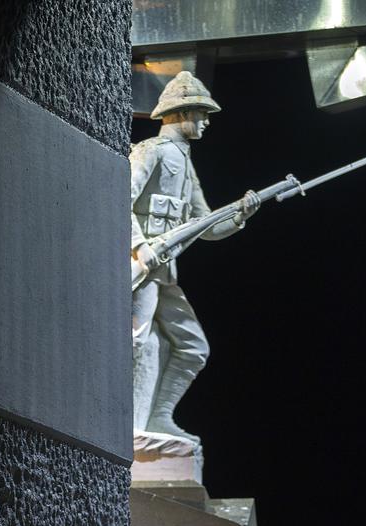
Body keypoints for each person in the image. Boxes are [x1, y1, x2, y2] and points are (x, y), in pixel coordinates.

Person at [131, 70, 259, 441]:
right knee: (139, 342)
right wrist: (141, 248)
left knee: (192, 347)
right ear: (179, 113)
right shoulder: (151, 152)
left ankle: (158, 418)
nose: (205, 121)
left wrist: (239, 215)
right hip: (143, 266)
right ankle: (132, 428)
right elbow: (118, 199)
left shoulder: (185, 163)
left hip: (164, 273)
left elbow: (206, 226)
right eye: (200, 113)